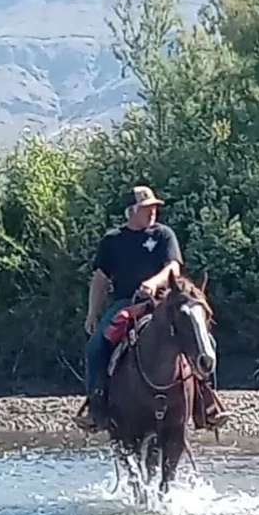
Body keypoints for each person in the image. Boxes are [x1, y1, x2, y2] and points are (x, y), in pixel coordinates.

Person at [76, 184, 229, 431]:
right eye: (147, 208)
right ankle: (97, 406)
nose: (153, 212)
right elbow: (100, 279)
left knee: (207, 342)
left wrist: (153, 283)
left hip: (167, 302)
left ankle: (206, 404)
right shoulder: (112, 240)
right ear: (132, 211)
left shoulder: (163, 235)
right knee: (96, 346)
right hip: (125, 303)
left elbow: (173, 268)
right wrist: (92, 313)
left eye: (155, 207)